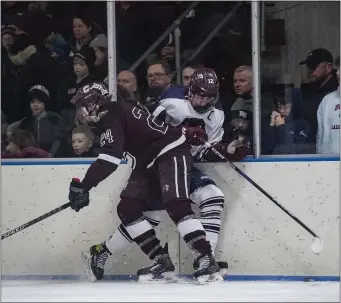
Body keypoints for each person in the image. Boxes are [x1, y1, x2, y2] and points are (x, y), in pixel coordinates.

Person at [89, 69, 250, 281]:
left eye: (208, 97)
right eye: (198, 95)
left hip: (182, 163)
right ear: (189, 90)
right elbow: (146, 132)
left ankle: (205, 259)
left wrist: (226, 149)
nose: (202, 101)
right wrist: (180, 134)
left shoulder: (217, 114)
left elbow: (203, 149)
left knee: (212, 196)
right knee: (144, 214)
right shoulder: (171, 99)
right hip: (154, 162)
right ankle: (107, 252)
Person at [68, 82, 222, 283]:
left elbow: (109, 160)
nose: (80, 111)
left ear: (94, 102)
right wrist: (84, 187)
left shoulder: (111, 114)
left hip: (170, 150)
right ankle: (160, 260)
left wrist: (84, 186)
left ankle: (205, 258)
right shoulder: (117, 111)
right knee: (128, 207)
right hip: (148, 163)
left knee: (177, 205)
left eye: (82, 105)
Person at [316, 56, 340, 154]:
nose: (338, 73)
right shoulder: (327, 101)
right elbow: (320, 137)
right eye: (338, 68)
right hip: (329, 164)